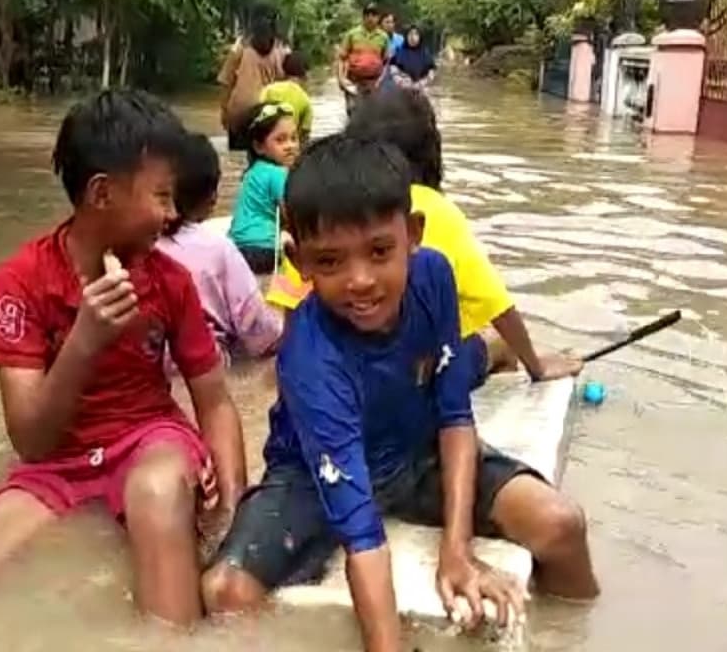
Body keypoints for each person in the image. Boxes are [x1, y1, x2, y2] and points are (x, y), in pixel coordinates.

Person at [201, 136, 600, 651]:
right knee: (224, 590)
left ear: (412, 235)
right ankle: (489, 350)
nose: (361, 281)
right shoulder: (308, 359)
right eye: (330, 262)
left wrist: (457, 550)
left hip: (417, 453)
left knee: (562, 525)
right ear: (298, 261)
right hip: (313, 477)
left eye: (379, 251)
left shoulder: (433, 275)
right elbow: (361, 529)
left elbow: (455, 416)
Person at [0, 90, 248, 629]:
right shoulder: (18, 284)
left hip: (149, 436)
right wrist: (85, 341)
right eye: (161, 196)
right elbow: (32, 441)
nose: (173, 214)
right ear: (102, 193)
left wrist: (234, 508)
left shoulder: (170, 281)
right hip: (57, 460)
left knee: (157, 492)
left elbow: (215, 401)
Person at [268, 88, 583, 381]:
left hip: (333, 371)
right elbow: (496, 304)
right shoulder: (438, 211)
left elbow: (291, 316)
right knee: (497, 342)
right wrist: (537, 366)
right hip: (416, 373)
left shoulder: (319, 210)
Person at [157, 133, 283, 365]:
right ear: (212, 196)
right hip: (206, 366)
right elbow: (259, 331)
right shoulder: (219, 248)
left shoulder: (132, 244)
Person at [227, 102, 300, 274]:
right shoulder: (278, 173)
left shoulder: (251, 172)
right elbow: (290, 214)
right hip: (265, 248)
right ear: (258, 146)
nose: (290, 146)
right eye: (280, 140)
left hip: (236, 247)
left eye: (294, 138)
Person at [218, 5, 287, 151]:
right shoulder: (281, 50)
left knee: (237, 159)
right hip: (266, 113)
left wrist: (224, 112)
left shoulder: (239, 48)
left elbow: (225, 82)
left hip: (238, 113)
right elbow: (285, 83)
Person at [337, 3, 391, 115]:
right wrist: (341, 79)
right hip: (353, 81)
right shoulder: (352, 34)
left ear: (378, 18)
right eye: (368, 15)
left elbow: (387, 62)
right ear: (363, 17)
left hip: (374, 82)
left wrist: (382, 81)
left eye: (374, 15)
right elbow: (341, 59)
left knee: (373, 114)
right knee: (353, 111)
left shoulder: (383, 37)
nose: (370, 18)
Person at [259, 51, 313, 144]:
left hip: (266, 144)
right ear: (305, 74)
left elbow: (256, 117)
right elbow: (305, 135)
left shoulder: (268, 90)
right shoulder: (305, 100)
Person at [389, 26, 437, 90]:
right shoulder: (398, 54)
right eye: (410, 34)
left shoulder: (425, 54)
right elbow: (393, 72)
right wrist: (402, 82)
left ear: (420, 37)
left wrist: (421, 83)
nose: (412, 37)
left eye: (416, 34)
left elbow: (431, 72)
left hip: (421, 89)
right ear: (406, 36)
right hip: (401, 90)